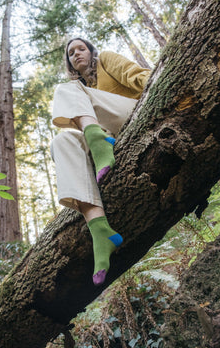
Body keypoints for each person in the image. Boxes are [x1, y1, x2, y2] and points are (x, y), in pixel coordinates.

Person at [50, 37, 151, 286]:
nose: (76, 54)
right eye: (71, 53)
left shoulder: (105, 60)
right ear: (70, 63)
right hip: (114, 135)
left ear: (90, 51)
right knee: (60, 142)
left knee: (66, 89)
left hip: (135, 112)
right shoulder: (79, 89)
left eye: (80, 48)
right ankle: (100, 229)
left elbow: (137, 75)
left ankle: (97, 140)